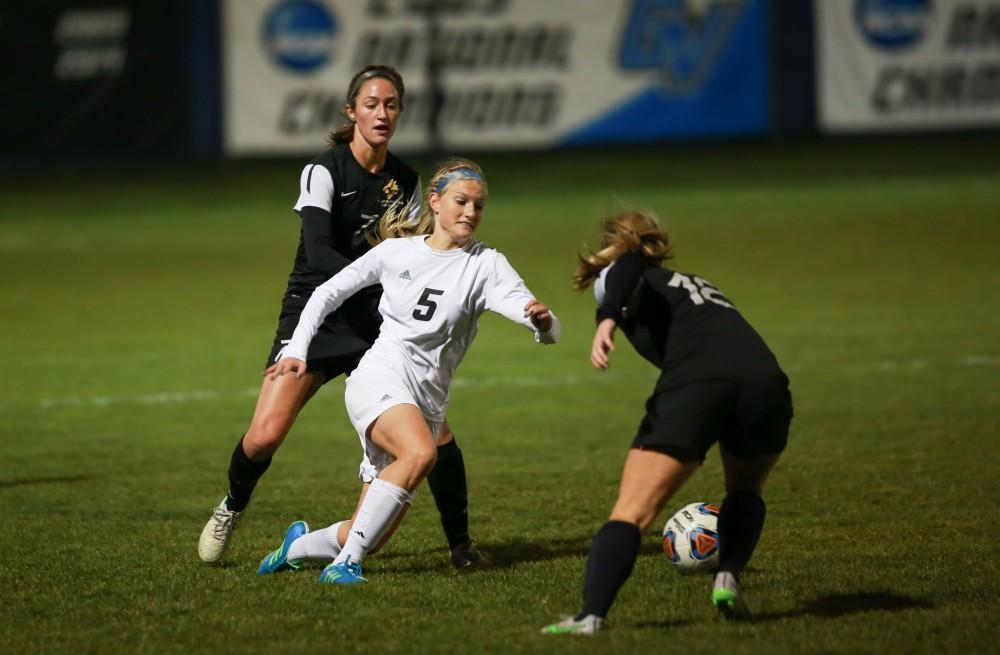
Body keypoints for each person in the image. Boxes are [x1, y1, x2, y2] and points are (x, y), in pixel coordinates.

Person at [197, 65, 486, 571]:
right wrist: (381, 275)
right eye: (372, 104)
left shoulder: (406, 181)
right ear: (351, 111)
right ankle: (233, 506)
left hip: (378, 322)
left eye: (391, 104)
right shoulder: (324, 170)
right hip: (317, 312)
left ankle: (459, 544)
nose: (382, 113)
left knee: (436, 433)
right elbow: (318, 251)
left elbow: (418, 252)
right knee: (264, 435)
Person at [255, 158, 560, 585]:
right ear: (434, 202)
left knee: (367, 532)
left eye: (478, 205)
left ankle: (296, 547)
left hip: (427, 401)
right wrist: (298, 349)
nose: (470, 212)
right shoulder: (396, 252)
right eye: (461, 201)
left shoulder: (487, 264)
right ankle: (345, 566)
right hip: (379, 378)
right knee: (421, 453)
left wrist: (542, 323)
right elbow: (326, 293)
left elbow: (540, 323)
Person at [542, 211, 792, 635]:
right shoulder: (693, 284)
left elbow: (625, 270)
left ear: (614, 245)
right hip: (766, 383)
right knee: (746, 490)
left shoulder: (624, 273)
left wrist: (606, 321)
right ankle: (728, 576)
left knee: (631, 512)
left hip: (697, 383)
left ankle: (590, 617)